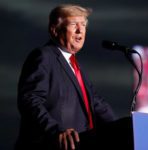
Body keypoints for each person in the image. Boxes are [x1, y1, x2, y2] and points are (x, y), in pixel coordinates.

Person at [15, 4, 117, 150]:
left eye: (83, 24)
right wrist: (55, 130)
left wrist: (128, 129)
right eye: (74, 24)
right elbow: (30, 99)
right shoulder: (44, 56)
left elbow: (97, 105)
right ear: (55, 30)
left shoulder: (75, 66)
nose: (80, 29)